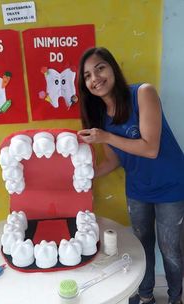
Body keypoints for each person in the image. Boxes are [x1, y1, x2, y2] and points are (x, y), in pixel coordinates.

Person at [77, 47, 184, 304]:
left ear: (113, 67)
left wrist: (106, 137)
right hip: (138, 189)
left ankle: (175, 296)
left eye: (100, 68)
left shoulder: (143, 93)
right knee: (140, 246)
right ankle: (145, 295)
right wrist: (81, 177)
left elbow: (150, 147)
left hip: (171, 185)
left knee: (170, 249)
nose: (95, 78)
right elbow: (113, 160)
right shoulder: (100, 117)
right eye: (88, 76)